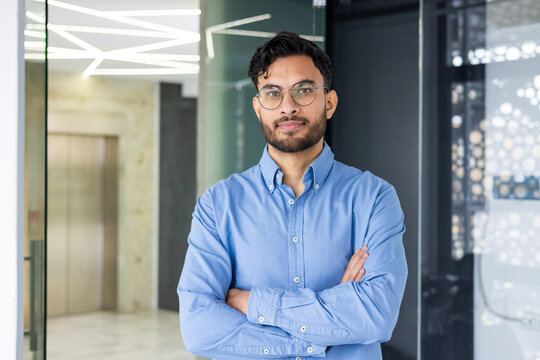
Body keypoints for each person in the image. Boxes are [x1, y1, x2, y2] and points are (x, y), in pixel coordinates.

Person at [178, 31, 408, 359]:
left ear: (328, 103)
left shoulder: (373, 198)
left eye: (303, 90)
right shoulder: (218, 205)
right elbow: (199, 328)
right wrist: (319, 334)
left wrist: (252, 302)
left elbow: (375, 316)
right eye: (273, 93)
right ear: (258, 108)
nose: (288, 106)